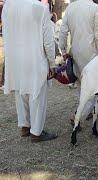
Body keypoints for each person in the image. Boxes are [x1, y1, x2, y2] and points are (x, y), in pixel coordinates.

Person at [2, 0, 57, 142]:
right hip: (34, 57)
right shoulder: (40, 8)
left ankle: (24, 125)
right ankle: (36, 132)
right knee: (37, 93)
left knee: (21, 90)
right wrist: (52, 63)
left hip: (14, 57)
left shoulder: (8, 6)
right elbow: (48, 40)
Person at [59, 0, 98, 122]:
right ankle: (78, 117)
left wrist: (63, 50)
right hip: (91, 53)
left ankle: (86, 111)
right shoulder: (96, 9)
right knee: (91, 87)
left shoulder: (70, 8)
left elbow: (63, 32)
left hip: (75, 51)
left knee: (81, 84)